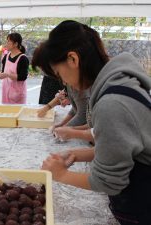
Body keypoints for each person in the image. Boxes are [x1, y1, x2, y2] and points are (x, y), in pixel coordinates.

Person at [41, 20, 151, 224]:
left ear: (72, 59)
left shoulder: (112, 103)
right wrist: (76, 154)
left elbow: (108, 182)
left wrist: (61, 175)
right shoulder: (122, 82)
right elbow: (125, 147)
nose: (63, 82)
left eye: (59, 74)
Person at [0, 33, 29, 104]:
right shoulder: (6, 56)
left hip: (17, 95)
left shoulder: (23, 58)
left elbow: (22, 77)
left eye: (8, 41)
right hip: (6, 92)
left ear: (15, 44)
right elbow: (3, 74)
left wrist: (8, 75)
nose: (6, 43)